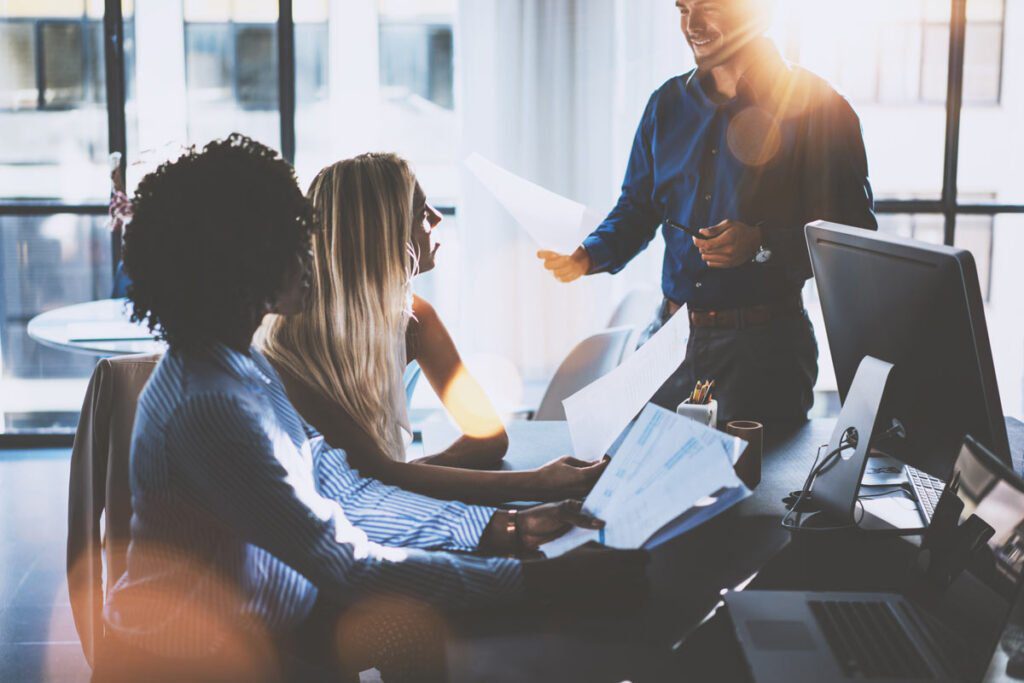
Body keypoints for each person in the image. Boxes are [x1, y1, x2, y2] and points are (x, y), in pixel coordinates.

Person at [97, 135, 646, 682]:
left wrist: (506, 530)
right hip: (204, 658)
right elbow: (344, 562)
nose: (312, 251)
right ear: (243, 267)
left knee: (414, 627)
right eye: (295, 239)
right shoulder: (210, 406)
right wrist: (536, 579)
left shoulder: (236, 361)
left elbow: (337, 491)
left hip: (271, 610)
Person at [538, 0, 878, 424]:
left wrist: (761, 243)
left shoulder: (822, 109)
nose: (692, 25)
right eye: (683, 9)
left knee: (757, 490)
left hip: (764, 355)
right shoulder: (666, 104)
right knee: (647, 482)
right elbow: (638, 207)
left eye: (709, 7)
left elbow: (854, 237)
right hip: (668, 342)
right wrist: (588, 255)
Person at [259, 153, 606, 504]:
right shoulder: (290, 339)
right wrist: (538, 482)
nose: (437, 217)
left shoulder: (416, 318)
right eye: (421, 211)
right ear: (383, 233)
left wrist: (415, 472)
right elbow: (371, 476)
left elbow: (488, 437)